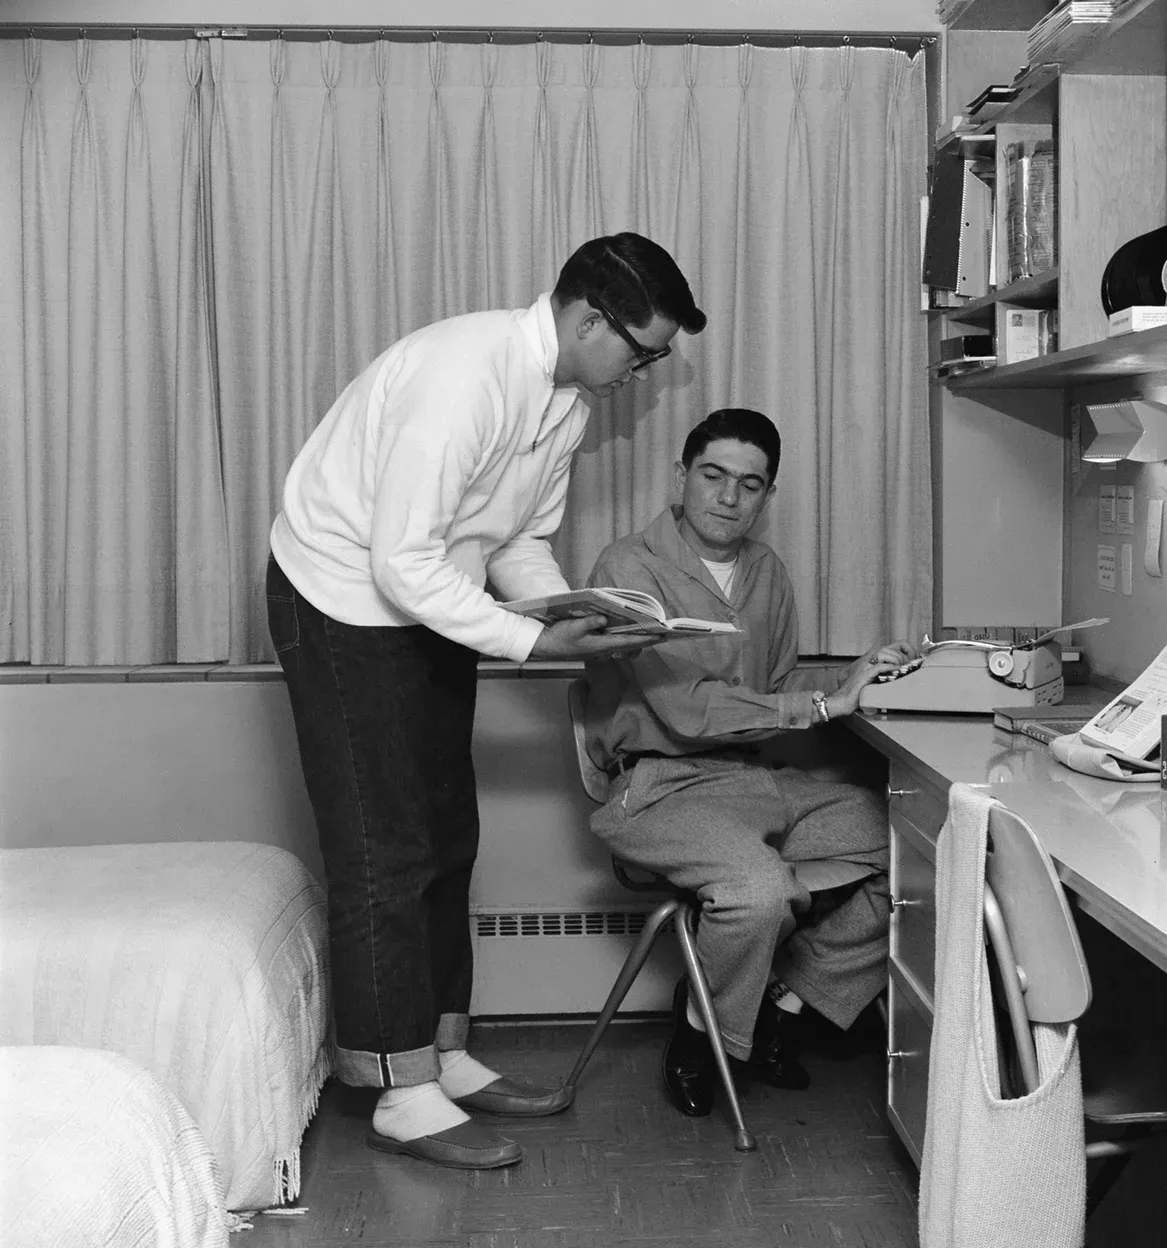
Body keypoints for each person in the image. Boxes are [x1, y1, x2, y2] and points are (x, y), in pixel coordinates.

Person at [264, 233, 705, 1170]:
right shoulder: (462, 377)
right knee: (385, 847)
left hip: (431, 599)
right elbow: (399, 560)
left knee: (448, 834)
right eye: (644, 351)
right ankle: (398, 1089)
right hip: (343, 598)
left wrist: (570, 612)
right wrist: (529, 639)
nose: (645, 371)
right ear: (589, 318)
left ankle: (443, 1053)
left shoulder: (569, 405)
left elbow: (516, 543)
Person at [580, 408, 919, 1117]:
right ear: (682, 476)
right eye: (713, 475)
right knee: (759, 890)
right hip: (655, 787)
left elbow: (773, 690)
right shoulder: (625, 567)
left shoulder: (767, 571)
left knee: (915, 845)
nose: (729, 497)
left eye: (750, 484)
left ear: (767, 495)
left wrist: (848, 677)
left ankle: (784, 1006)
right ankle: (702, 1031)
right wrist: (824, 708)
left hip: (750, 779)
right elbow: (686, 709)